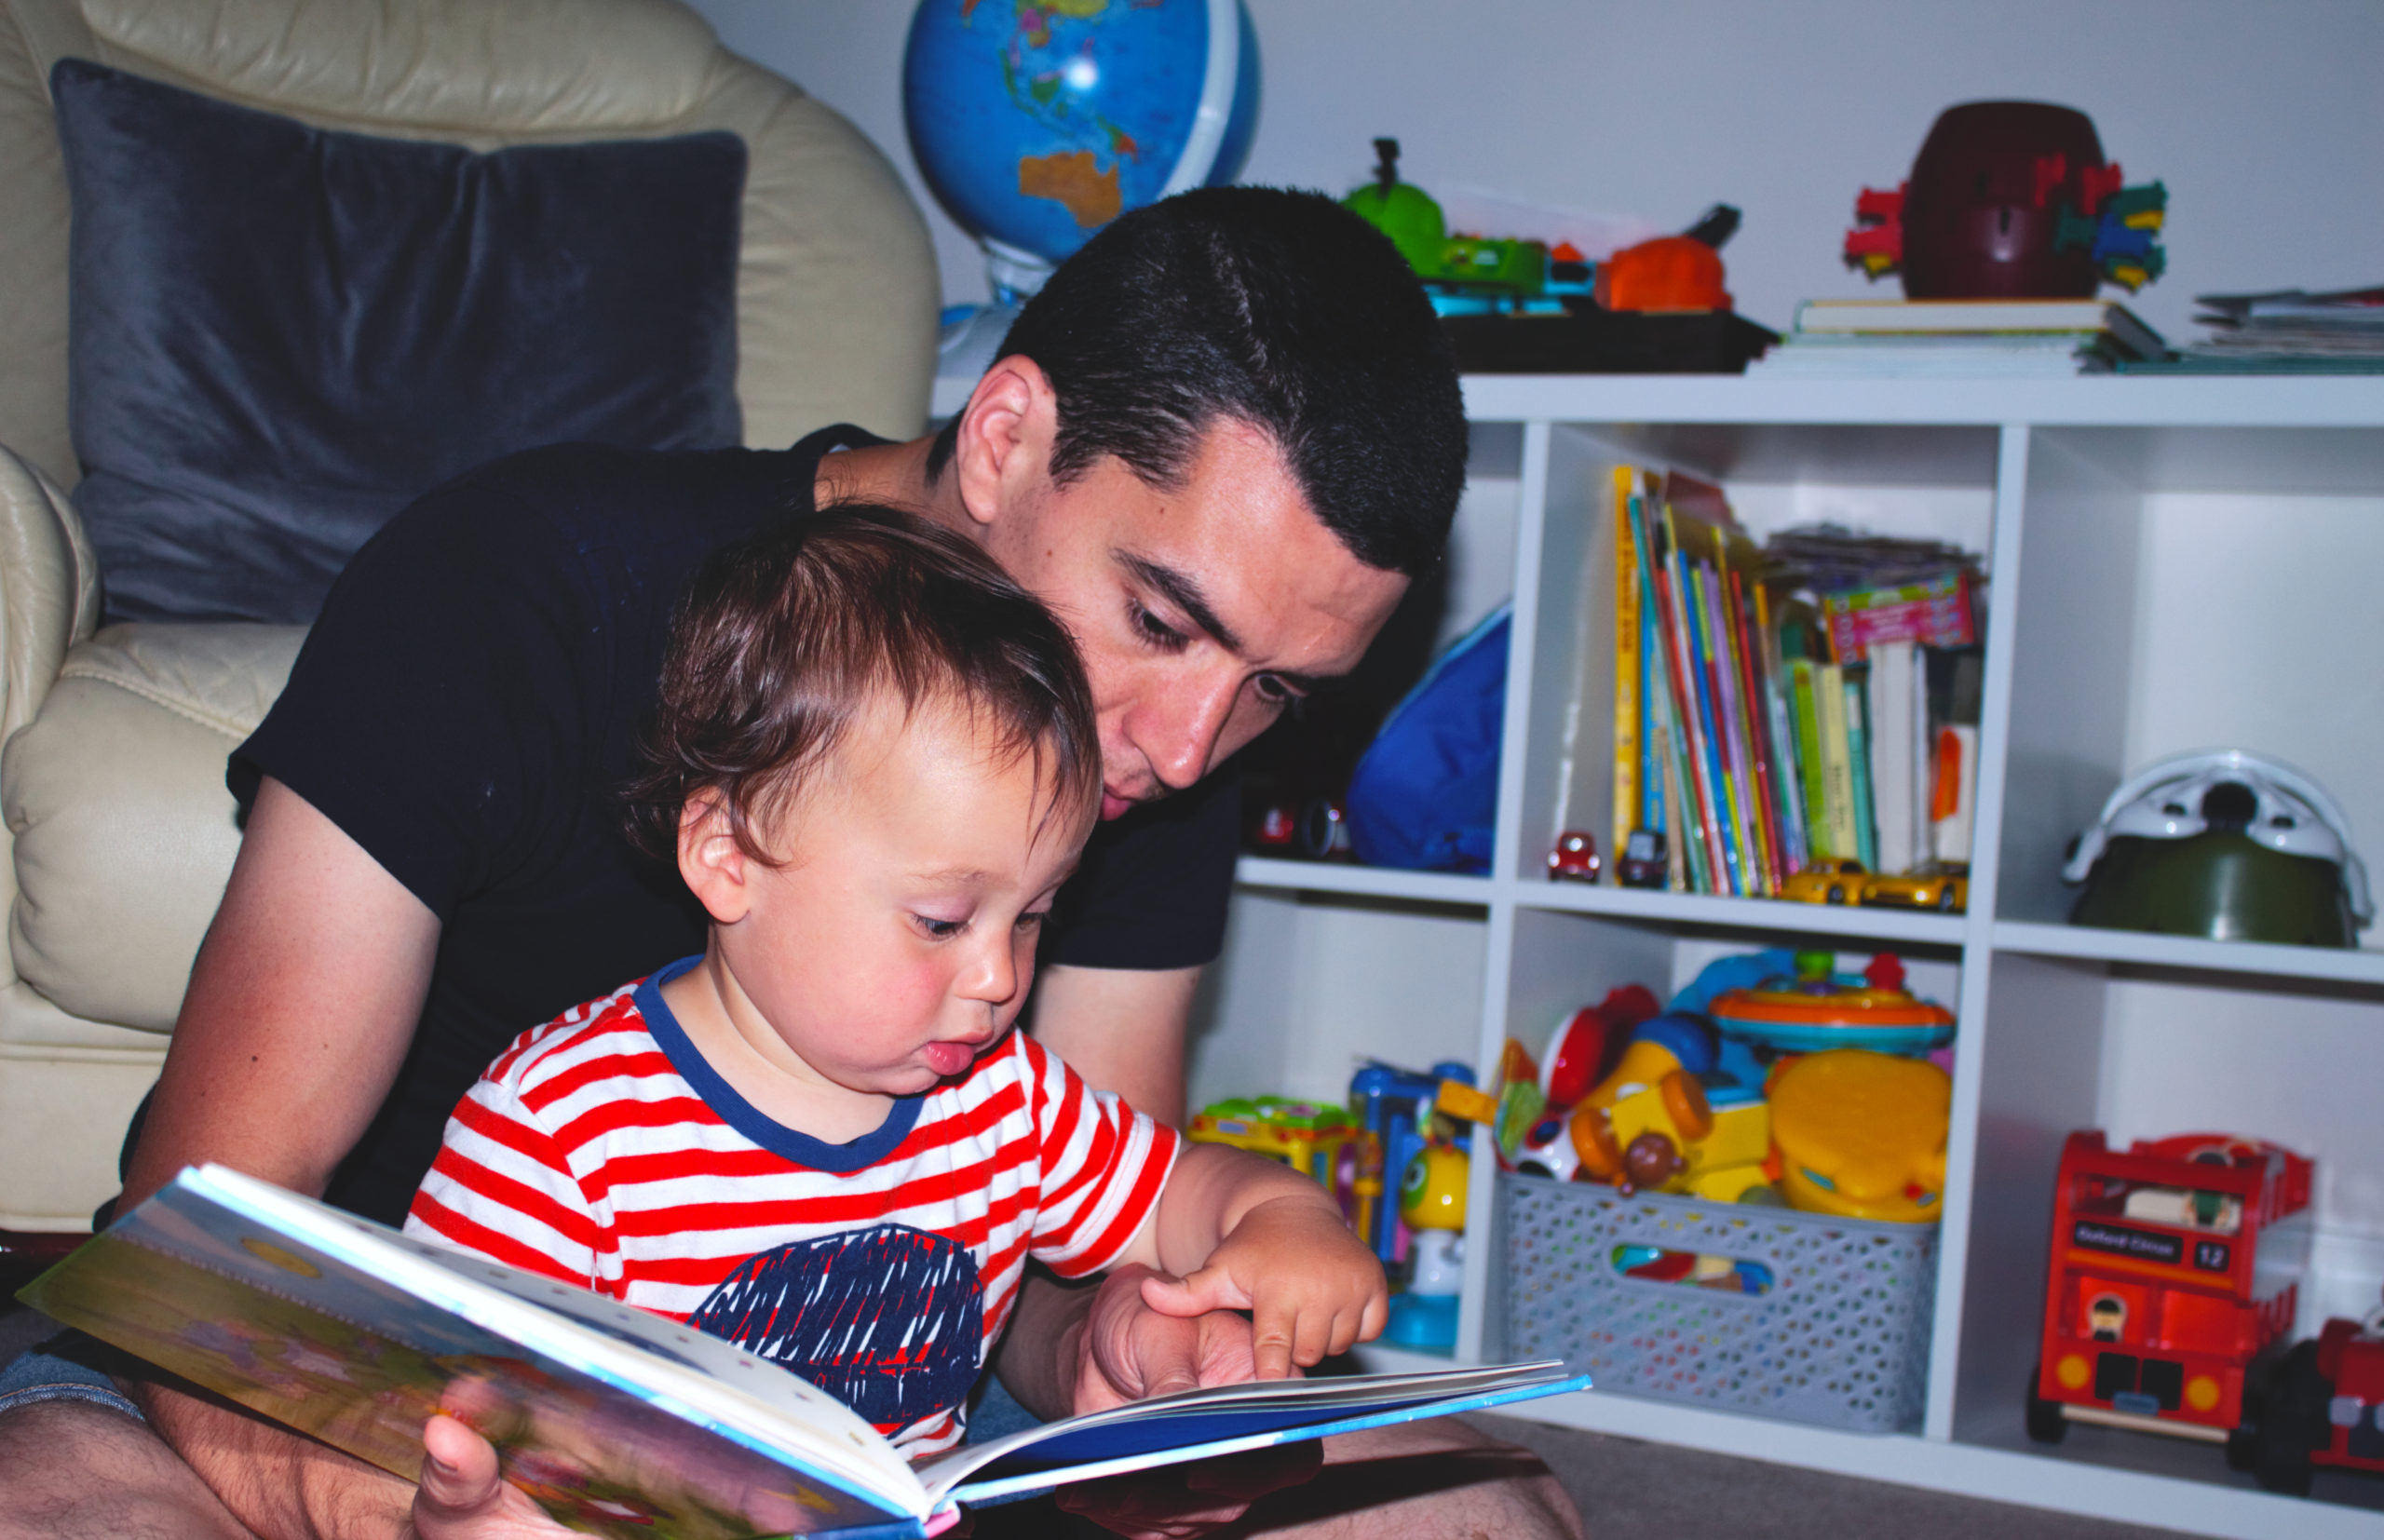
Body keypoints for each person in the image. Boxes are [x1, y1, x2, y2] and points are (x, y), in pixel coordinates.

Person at [0, 186, 1582, 1540]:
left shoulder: (1143, 752)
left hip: (860, 1442)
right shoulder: (523, 580)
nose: (1182, 747)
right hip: (330, 1379)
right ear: (1010, 433)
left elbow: (1035, 1261)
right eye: (1164, 621)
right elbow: (201, 1234)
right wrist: (426, 1502)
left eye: (1274, 695)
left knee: (1484, 1498)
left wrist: (1117, 1356)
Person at [405, 506, 1388, 1479]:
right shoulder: (559, 1132)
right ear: (727, 856)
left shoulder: (1008, 1101)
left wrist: (1283, 1217)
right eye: (941, 920)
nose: (1000, 976)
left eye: (1033, 915)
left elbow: (1180, 1194)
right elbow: (427, 1416)